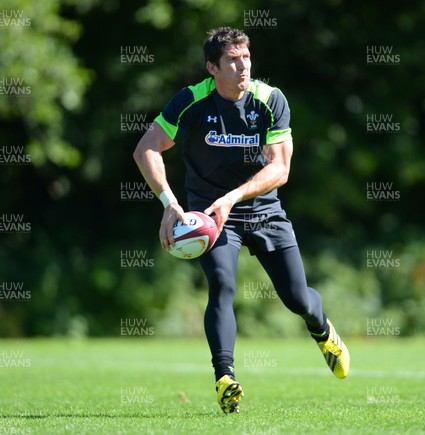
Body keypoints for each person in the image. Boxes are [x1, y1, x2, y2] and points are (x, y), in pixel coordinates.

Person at [133, 26, 350, 414]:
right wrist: (168, 202)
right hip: (213, 216)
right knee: (222, 285)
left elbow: (280, 169)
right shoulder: (191, 101)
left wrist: (233, 196)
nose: (243, 66)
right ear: (212, 68)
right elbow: (146, 147)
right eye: (232, 60)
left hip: (264, 210)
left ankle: (322, 330)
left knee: (298, 298)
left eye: (246, 57)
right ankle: (225, 378)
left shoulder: (269, 99)